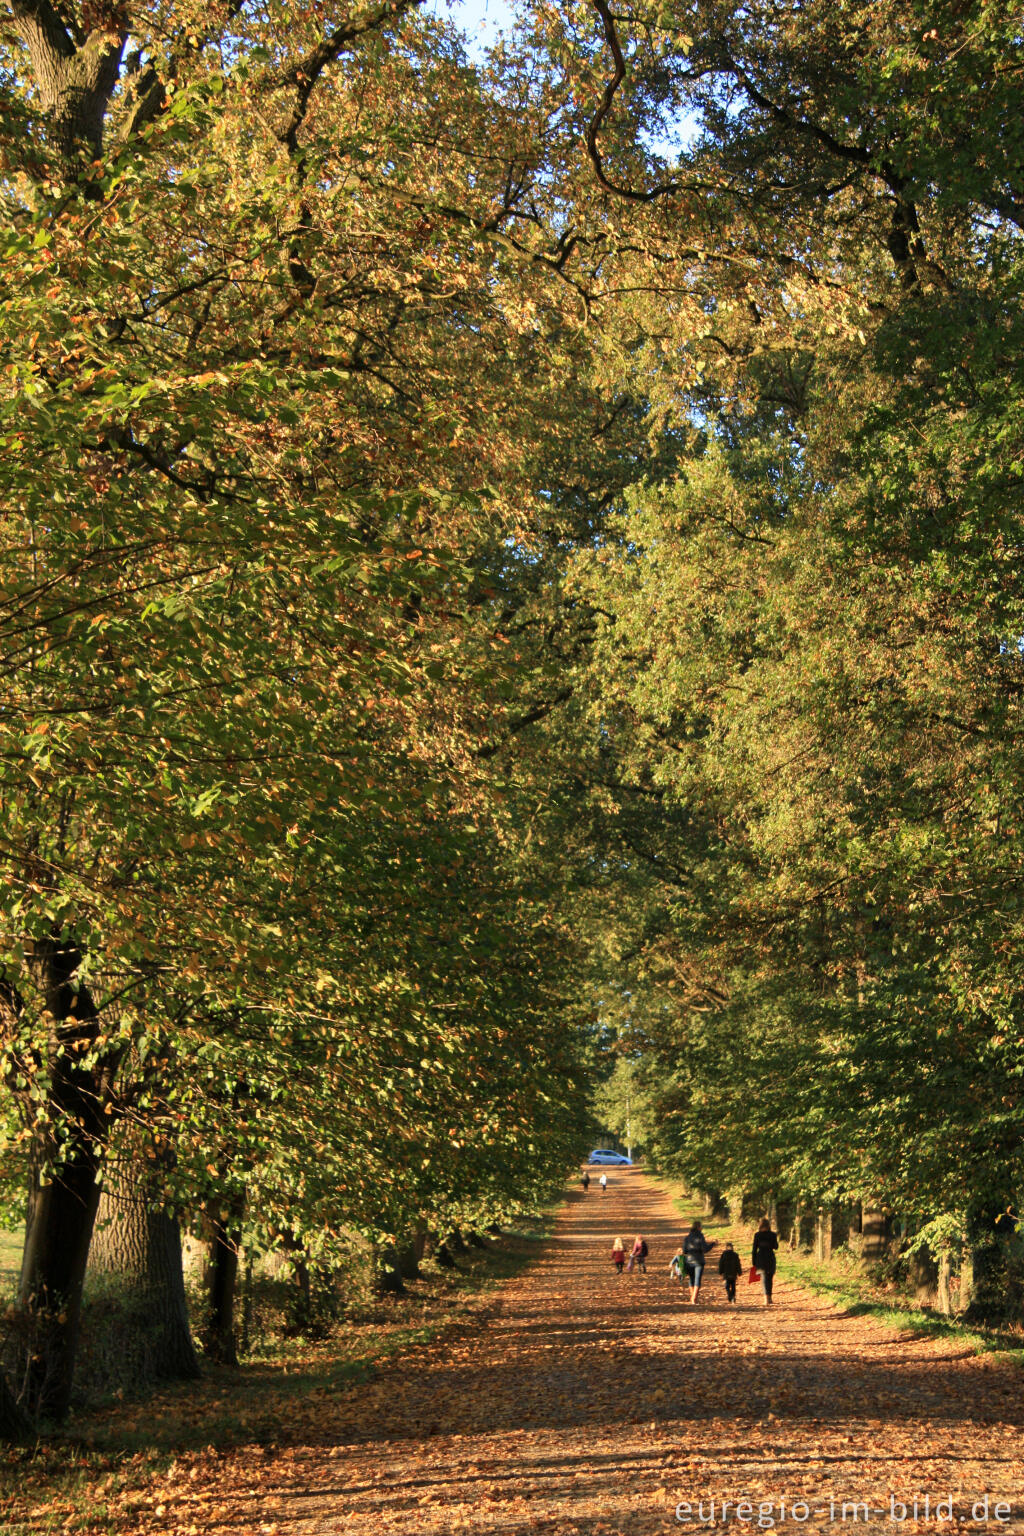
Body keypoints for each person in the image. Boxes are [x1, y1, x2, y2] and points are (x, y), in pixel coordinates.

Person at [682, 1220, 714, 1304]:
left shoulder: (687, 1237)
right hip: (699, 1260)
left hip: (689, 1261)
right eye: (701, 1227)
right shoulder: (700, 1236)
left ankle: (693, 1297)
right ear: (699, 1227)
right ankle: (694, 1299)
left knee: (691, 1279)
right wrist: (713, 1244)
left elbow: (684, 1251)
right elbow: (705, 1249)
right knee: (697, 1279)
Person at [752, 1217, 779, 1307]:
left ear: (760, 1225)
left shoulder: (757, 1235)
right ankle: (770, 1297)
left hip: (761, 1258)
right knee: (769, 1277)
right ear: (768, 1226)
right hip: (770, 1257)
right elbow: (776, 1246)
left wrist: (753, 1261)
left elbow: (754, 1249)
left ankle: (766, 1298)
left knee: (764, 1278)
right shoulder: (773, 1235)